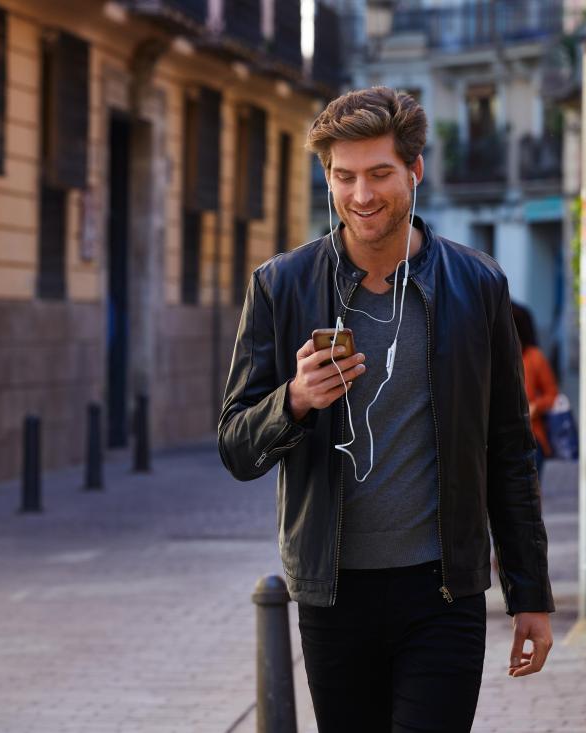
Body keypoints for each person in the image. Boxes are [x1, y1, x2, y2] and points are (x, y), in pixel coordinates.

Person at [218, 87, 554, 732]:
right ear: (327, 177)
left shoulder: (478, 285)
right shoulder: (281, 285)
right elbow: (236, 445)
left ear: (415, 170)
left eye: (379, 174)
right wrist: (293, 401)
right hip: (333, 593)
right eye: (344, 177)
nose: (362, 195)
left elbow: (509, 448)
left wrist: (529, 595)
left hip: (444, 591)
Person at [511, 302, 559, 480]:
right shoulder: (492, 356)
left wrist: (535, 407)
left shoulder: (534, 358)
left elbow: (552, 395)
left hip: (530, 437)